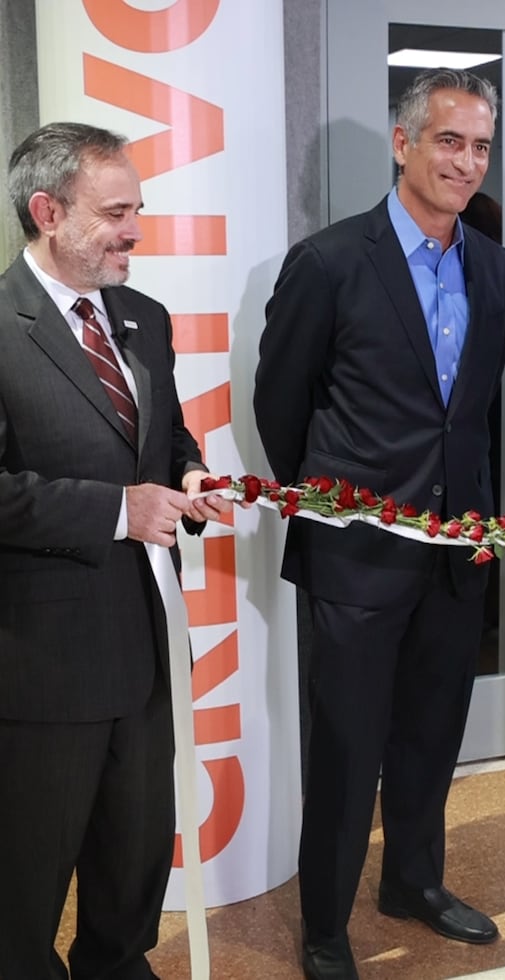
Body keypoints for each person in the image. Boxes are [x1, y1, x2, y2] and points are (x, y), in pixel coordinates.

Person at [254, 68, 505, 980]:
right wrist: (337, 511)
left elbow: (473, 415)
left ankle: (414, 882)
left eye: (481, 145)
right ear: (403, 144)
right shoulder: (328, 261)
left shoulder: (494, 263)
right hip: (355, 559)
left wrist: (476, 521)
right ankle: (325, 924)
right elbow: (280, 406)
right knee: (345, 750)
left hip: (455, 554)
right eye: (450, 141)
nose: (467, 162)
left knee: (430, 733)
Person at [0, 122, 232, 980]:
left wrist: (195, 474)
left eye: (139, 208)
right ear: (47, 211)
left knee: (133, 864)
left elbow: (165, 439)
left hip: (148, 650)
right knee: (23, 890)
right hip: (42, 668)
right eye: (118, 211)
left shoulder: (144, 316)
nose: (138, 229)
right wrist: (114, 511)